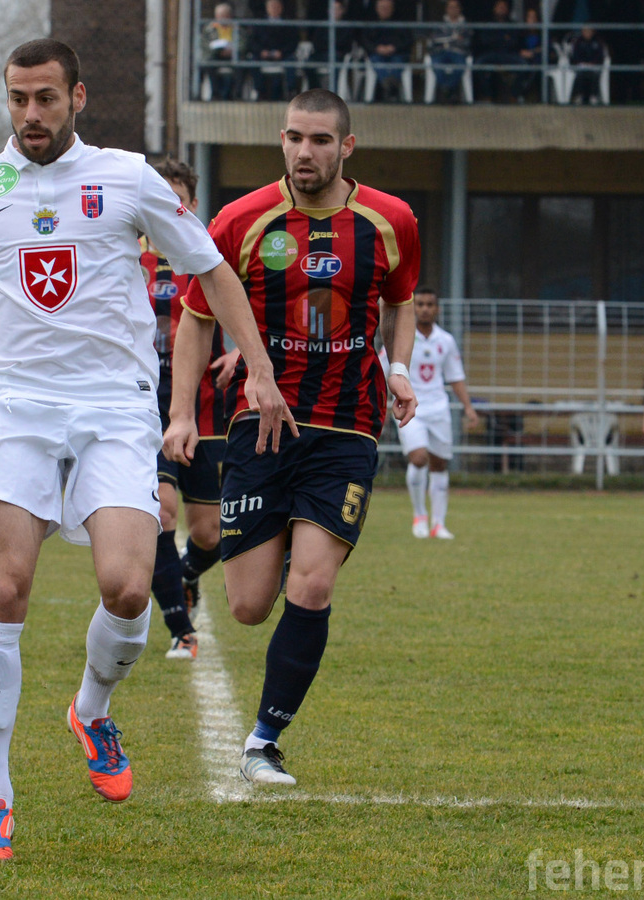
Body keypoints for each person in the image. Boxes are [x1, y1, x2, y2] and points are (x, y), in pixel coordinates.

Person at [0, 39, 287, 861]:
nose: (31, 114)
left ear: (77, 97)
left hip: (113, 408)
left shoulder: (129, 179)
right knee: (3, 586)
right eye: (18, 98)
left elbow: (212, 269)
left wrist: (260, 367)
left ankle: (90, 709)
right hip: (14, 407)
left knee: (127, 588)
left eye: (46, 98)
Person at [165, 88, 420, 788]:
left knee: (312, 586)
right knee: (249, 607)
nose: (305, 152)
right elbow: (195, 319)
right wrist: (182, 414)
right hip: (262, 425)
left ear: (346, 147)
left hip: (348, 427)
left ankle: (264, 740)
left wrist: (398, 369)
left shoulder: (391, 220)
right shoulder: (240, 220)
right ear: (281, 140)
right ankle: (283, 544)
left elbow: (400, 301)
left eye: (320, 140)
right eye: (294, 138)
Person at [143, 157, 242, 661]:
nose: (166, 207)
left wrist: (240, 353)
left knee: (211, 533)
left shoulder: (209, 255)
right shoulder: (124, 254)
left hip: (207, 408)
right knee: (161, 511)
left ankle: (182, 575)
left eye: (176, 198)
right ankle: (181, 630)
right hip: (145, 406)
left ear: (193, 204)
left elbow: (255, 311)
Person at [382, 288, 478, 539]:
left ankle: (439, 524)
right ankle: (420, 516)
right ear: (414, 308)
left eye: (430, 304)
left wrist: (468, 407)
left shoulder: (445, 340)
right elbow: (381, 370)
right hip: (410, 406)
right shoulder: (401, 338)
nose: (425, 309)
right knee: (418, 458)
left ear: (437, 309)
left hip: (438, 408)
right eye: (420, 304)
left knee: (439, 464)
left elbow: (455, 377)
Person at [246, 0, 300, 101]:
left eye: (276, 6)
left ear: (281, 8)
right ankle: (259, 91)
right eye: (271, 6)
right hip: (263, 54)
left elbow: (293, 42)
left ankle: (291, 91)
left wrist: (282, 52)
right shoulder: (259, 23)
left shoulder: (288, 23)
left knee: (291, 61)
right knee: (252, 61)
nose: (274, 8)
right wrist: (261, 51)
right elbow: (252, 42)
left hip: (282, 54)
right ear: (267, 8)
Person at [474, 0, 525, 102]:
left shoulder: (512, 24)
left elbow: (514, 42)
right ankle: (487, 95)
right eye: (499, 7)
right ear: (494, 8)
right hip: (491, 53)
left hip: (508, 54)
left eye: (503, 7)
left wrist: (497, 39)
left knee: (524, 66)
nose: (501, 9)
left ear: (507, 10)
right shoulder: (488, 23)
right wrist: (503, 39)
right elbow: (485, 41)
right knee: (478, 64)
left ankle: (514, 95)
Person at [361, 0, 409, 101]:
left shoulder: (400, 22)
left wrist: (394, 47)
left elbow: (407, 40)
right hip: (377, 53)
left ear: (392, 9)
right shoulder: (370, 23)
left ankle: (389, 87)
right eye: (382, 8)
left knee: (398, 61)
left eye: (387, 8)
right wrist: (376, 48)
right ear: (376, 9)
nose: (385, 10)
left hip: (396, 53)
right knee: (376, 61)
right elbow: (365, 40)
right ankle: (390, 88)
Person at [428, 0, 473, 103]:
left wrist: (446, 39)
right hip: (440, 52)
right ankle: (450, 91)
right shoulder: (439, 24)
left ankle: (447, 90)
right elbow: (434, 39)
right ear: (446, 9)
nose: (453, 10)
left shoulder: (466, 25)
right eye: (450, 7)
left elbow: (467, 41)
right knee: (437, 65)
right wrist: (454, 38)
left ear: (460, 9)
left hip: (458, 52)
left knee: (460, 65)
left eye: (455, 7)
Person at [567, 26, 607, 104]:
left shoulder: (598, 41)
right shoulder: (578, 42)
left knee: (596, 74)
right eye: (585, 31)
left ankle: (594, 96)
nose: (587, 33)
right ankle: (579, 96)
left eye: (589, 31)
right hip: (581, 66)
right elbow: (575, 56)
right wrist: (581, 63)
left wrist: (593, 63)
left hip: (594, 66)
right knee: (579, 74)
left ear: (593, 32)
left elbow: (601, 56)